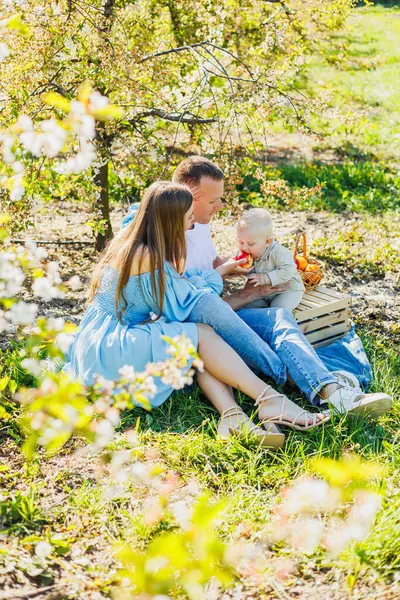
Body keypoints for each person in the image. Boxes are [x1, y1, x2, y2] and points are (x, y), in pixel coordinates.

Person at [64, 181, 331, 450]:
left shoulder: (135, 234)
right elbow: (185, 299)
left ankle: (232, 416)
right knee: (200, 333)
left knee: (191, 338)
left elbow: (179, 288)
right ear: (169, 221)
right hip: (113, 347)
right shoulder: (148, 255)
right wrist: (220, 277)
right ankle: (270, 398)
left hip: (100, 336)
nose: (192, 224)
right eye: (188, 217)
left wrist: (222, 271)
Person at [169, 156, 393, 417]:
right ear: (187, 195)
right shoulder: (171, 243)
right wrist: (248, 292)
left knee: (280, 315)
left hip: (228, 310)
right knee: (272, 329)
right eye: (212, 200)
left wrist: (231, 266)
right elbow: (199, 310)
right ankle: (328, 387)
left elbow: (211, 268)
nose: (219, 206)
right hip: (211, 325)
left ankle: (333, 390)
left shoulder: (199, 224)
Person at [236, 207, 305, 310]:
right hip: (262, 292)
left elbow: (289, 269)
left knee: (278, 308)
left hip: (286, 290)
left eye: (250, 244)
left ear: (267, 242)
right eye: (241, 242)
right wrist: (238, 269)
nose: (244, 248)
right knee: (248, 307)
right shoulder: (247, 253)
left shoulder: (279, 252)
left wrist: (265, 278)